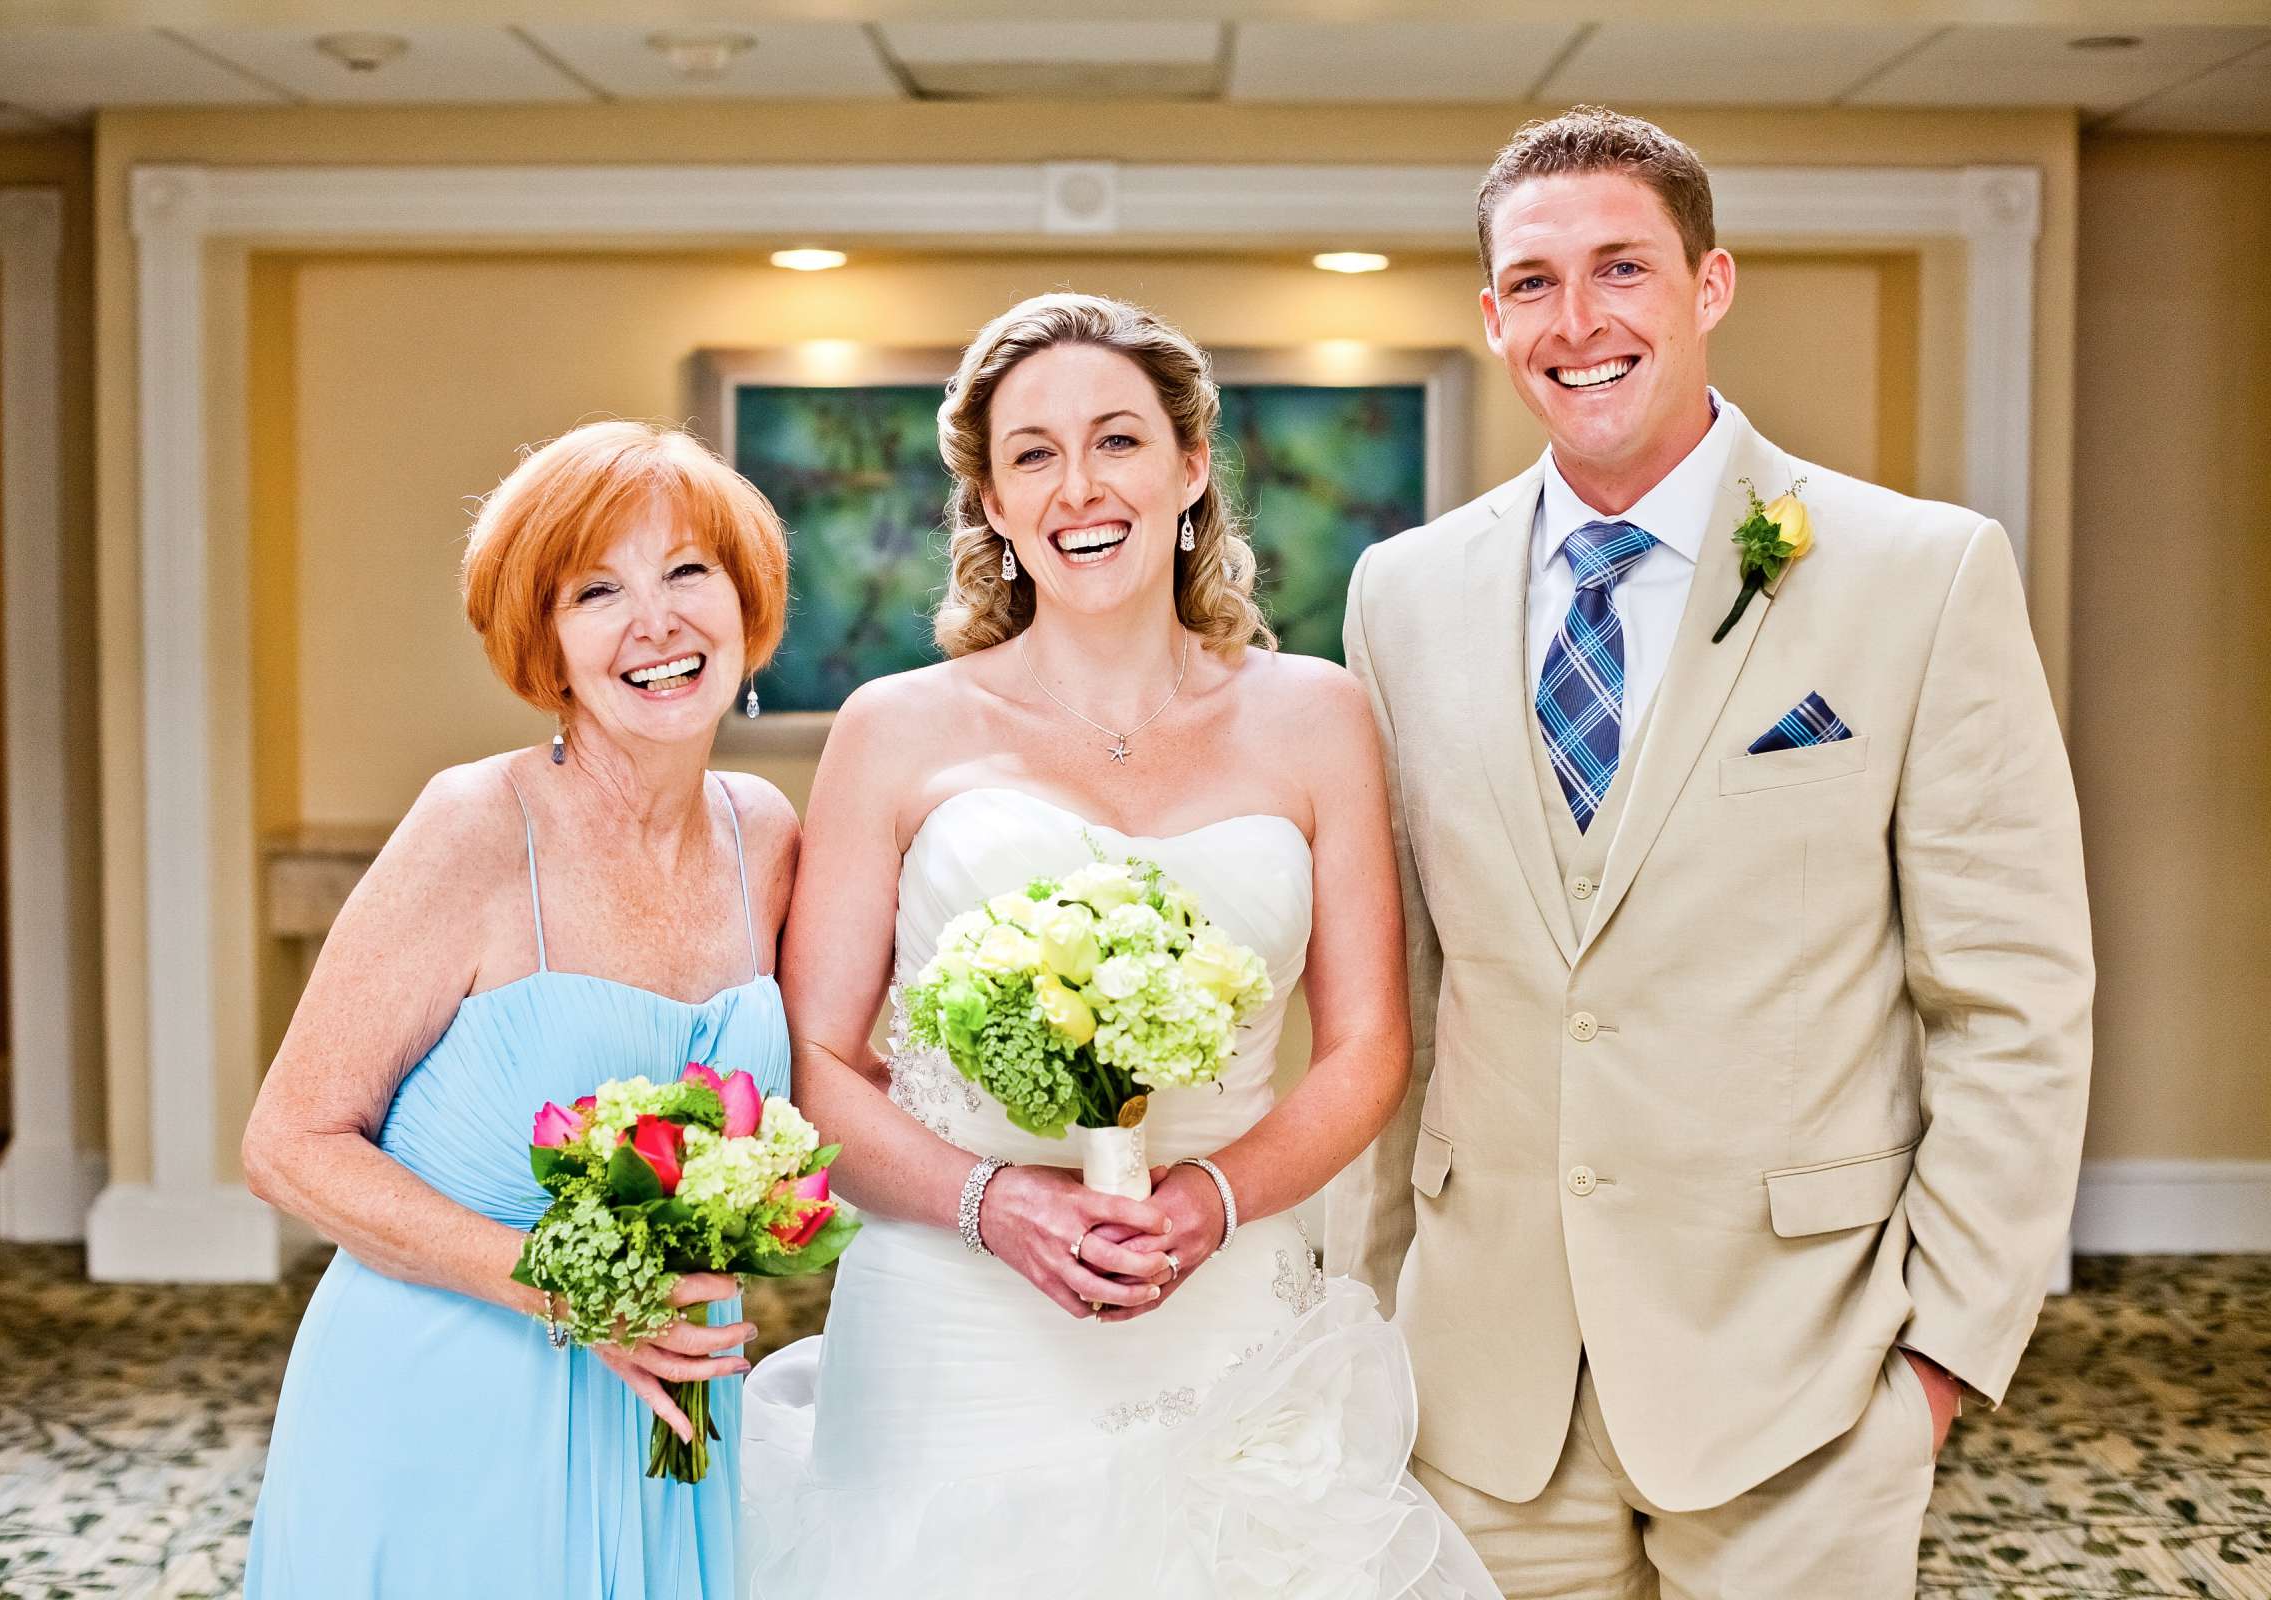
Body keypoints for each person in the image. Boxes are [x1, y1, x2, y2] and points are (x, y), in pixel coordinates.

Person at [1323, 106, 2094, 1598]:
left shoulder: (1918, 574)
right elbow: (1401, 995)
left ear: (1710, 285)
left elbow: (2012, 998)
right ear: (1491, 318)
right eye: (1534, 283)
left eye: (1623, 268)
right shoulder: (1400, 594)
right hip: (1485, 1390)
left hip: (1801, 1384)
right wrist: (1370, 1314)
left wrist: (1939, 1358)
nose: (1579, 319)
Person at [740, 293, 1497, 1599]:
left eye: (1118, 441)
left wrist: (1208, 1203)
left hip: (1226, 1297)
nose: (1079, 485)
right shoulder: (894, 729)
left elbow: (1370, 1046)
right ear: (986, 498)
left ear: (1192, 468)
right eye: (1031, 452)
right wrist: (994, 1206)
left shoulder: (1316, 718)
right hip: (953, 1327)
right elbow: (809, 1058)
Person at [241, 420, 799, 1598]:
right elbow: (287, 1145)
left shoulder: (769, 834)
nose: (656, 622)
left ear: (748, 607)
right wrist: (571, 1290)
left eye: (689, 571)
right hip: (449, 1402)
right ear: (544, 643)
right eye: (598, 589)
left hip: (672, 1418)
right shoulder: (477, 826)